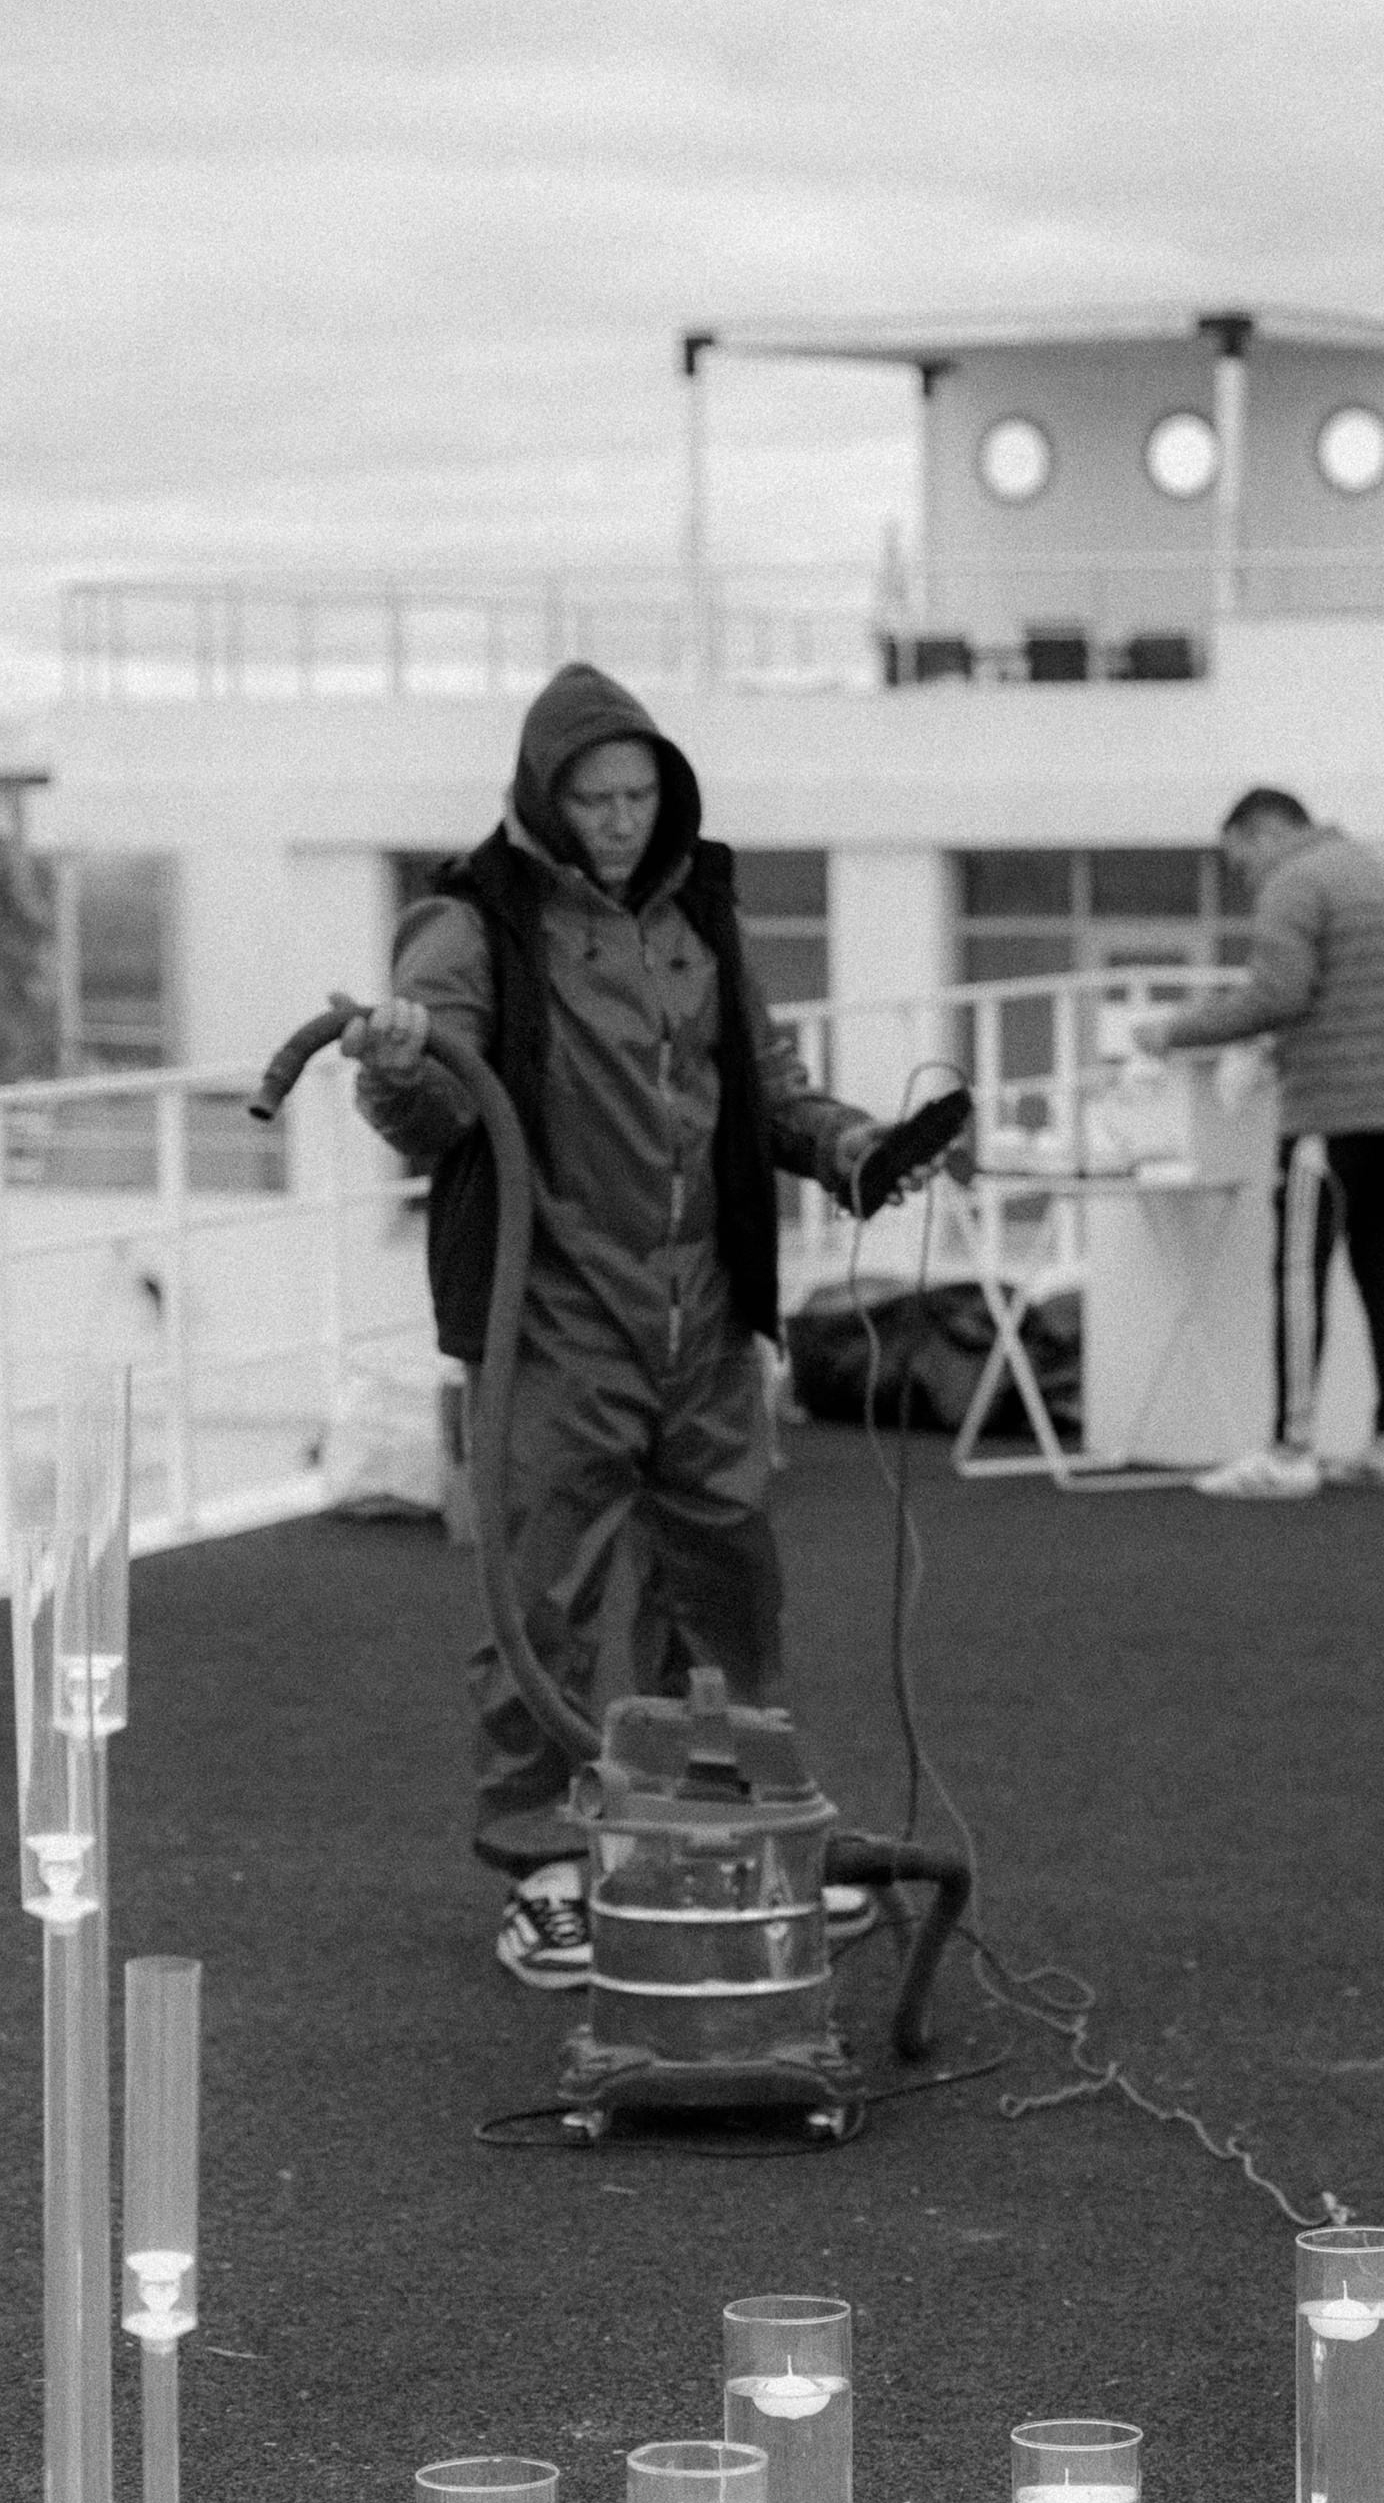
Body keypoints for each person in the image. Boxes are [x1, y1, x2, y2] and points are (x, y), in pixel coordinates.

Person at [343, 660, 968, 1989]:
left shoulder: (702, 917)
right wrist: (398, 1069)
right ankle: (546, 1865)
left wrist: (860, 1149)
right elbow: (429, 1114)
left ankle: (720, 1834)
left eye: (639, 795)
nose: (622, 821)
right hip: (556, 1320)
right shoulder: (468, 928)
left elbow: (768, 1092)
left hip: (707, 1316)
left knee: (725, 1582)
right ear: (544, 795)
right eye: (596, 798)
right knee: (542, 1598)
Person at [1131, 787, 1384, 1501]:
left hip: (1327, 1113)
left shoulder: (1294, 884)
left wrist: (1172, 1032)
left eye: (1238, 860)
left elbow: (1280, 993)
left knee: (1299, 1279)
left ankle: (1290, 1451)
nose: (1244, 877)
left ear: (1258, 834)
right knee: (1381, 1268)